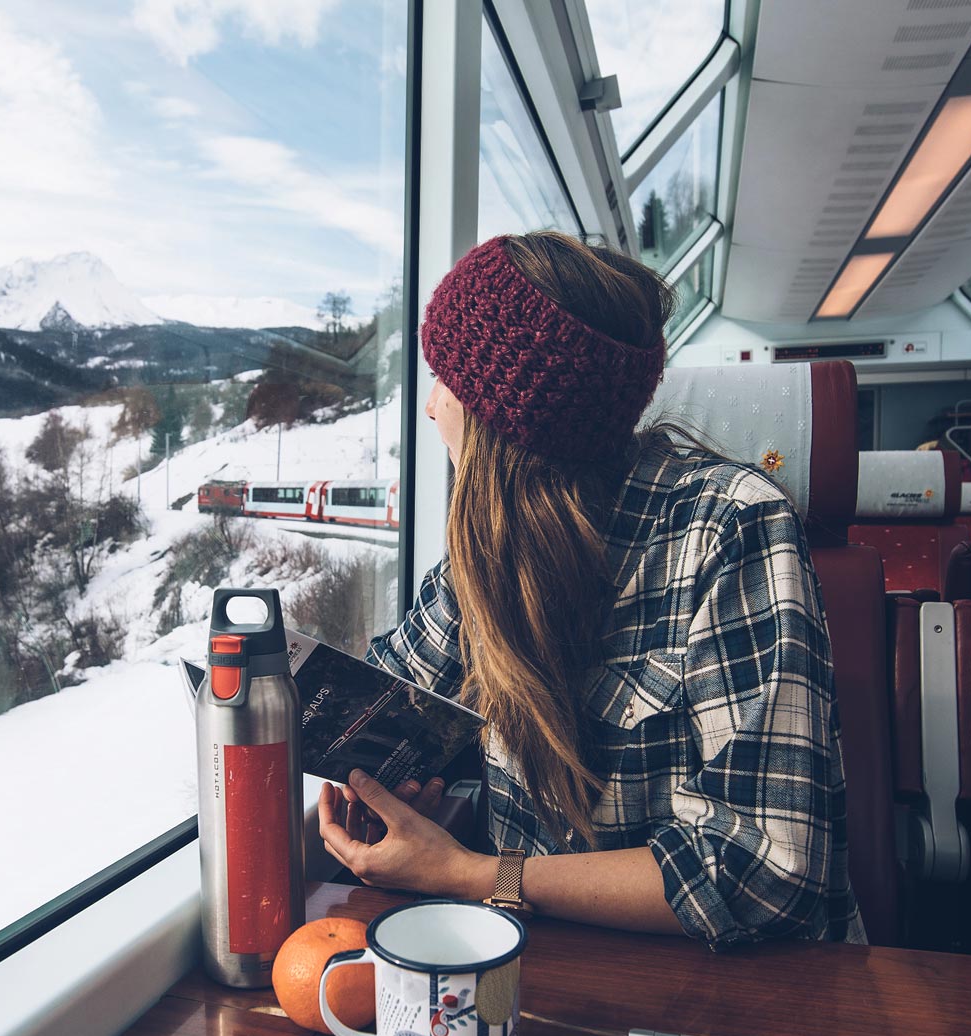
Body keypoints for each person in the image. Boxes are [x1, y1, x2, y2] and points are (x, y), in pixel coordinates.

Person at [318, 231, 864, 950]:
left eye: (446, 380)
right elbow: (394, 690)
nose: (430, 406)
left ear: (507, 421)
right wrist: (396, 766)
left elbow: (765, 871)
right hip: (541, 970)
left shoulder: (731, 527)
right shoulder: (486, 548)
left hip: (743, 994)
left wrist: (472, 874)